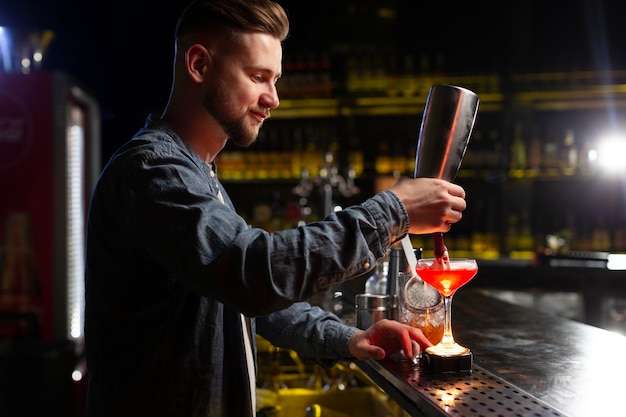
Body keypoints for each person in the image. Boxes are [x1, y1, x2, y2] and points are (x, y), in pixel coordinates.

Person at [83, 0, 467, 416]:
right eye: (258, 77)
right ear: (198, 65)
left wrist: (347, 339)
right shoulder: (153, 171)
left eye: (276, 80)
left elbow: (243, 303)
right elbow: (254, 273)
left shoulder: (200, 175)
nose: (274, 98)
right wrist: (393, 211)